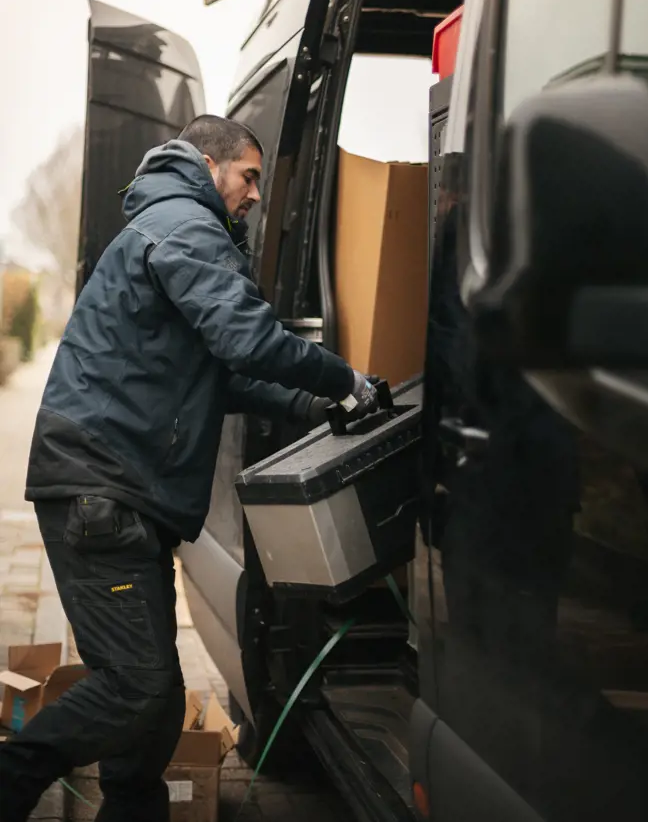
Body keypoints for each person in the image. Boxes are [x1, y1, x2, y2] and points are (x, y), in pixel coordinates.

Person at [0, 114, 378, 822]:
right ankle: (13, 775)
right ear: (209, 165)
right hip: (101, 488)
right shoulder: (184, 224)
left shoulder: (173, 224)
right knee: (137, 690)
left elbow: (223, 376)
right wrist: (344, 380)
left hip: (115, 488)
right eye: (250, 176)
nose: (257, 195)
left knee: (155, 697)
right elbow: (249, 339)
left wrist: (320, 406)